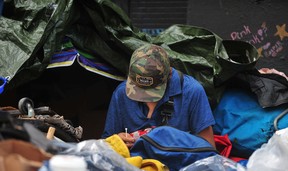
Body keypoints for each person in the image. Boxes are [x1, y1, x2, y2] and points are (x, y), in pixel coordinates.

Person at [101, 44, 216, 148]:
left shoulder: (191, 92)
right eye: (140, 89)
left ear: (169, 75)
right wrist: (116, 142)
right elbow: (104, 148)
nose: (146, 97)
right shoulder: (122, 93)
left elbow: (208, 150)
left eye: (152, 91)